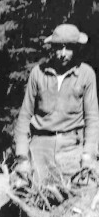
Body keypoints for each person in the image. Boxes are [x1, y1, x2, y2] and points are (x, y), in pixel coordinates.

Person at [14, 23, 98, 185]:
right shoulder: (38, 73)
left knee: (75, 199)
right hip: (39, 149)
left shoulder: (86, 74)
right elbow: (24, 117)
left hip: (71, 149)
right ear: (52, 48)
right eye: (59, 47)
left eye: (69, 48)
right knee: (31, 198)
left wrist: (88, 155)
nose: (63, 54)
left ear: (77, 48)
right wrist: (22, 157)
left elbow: (92, 120)